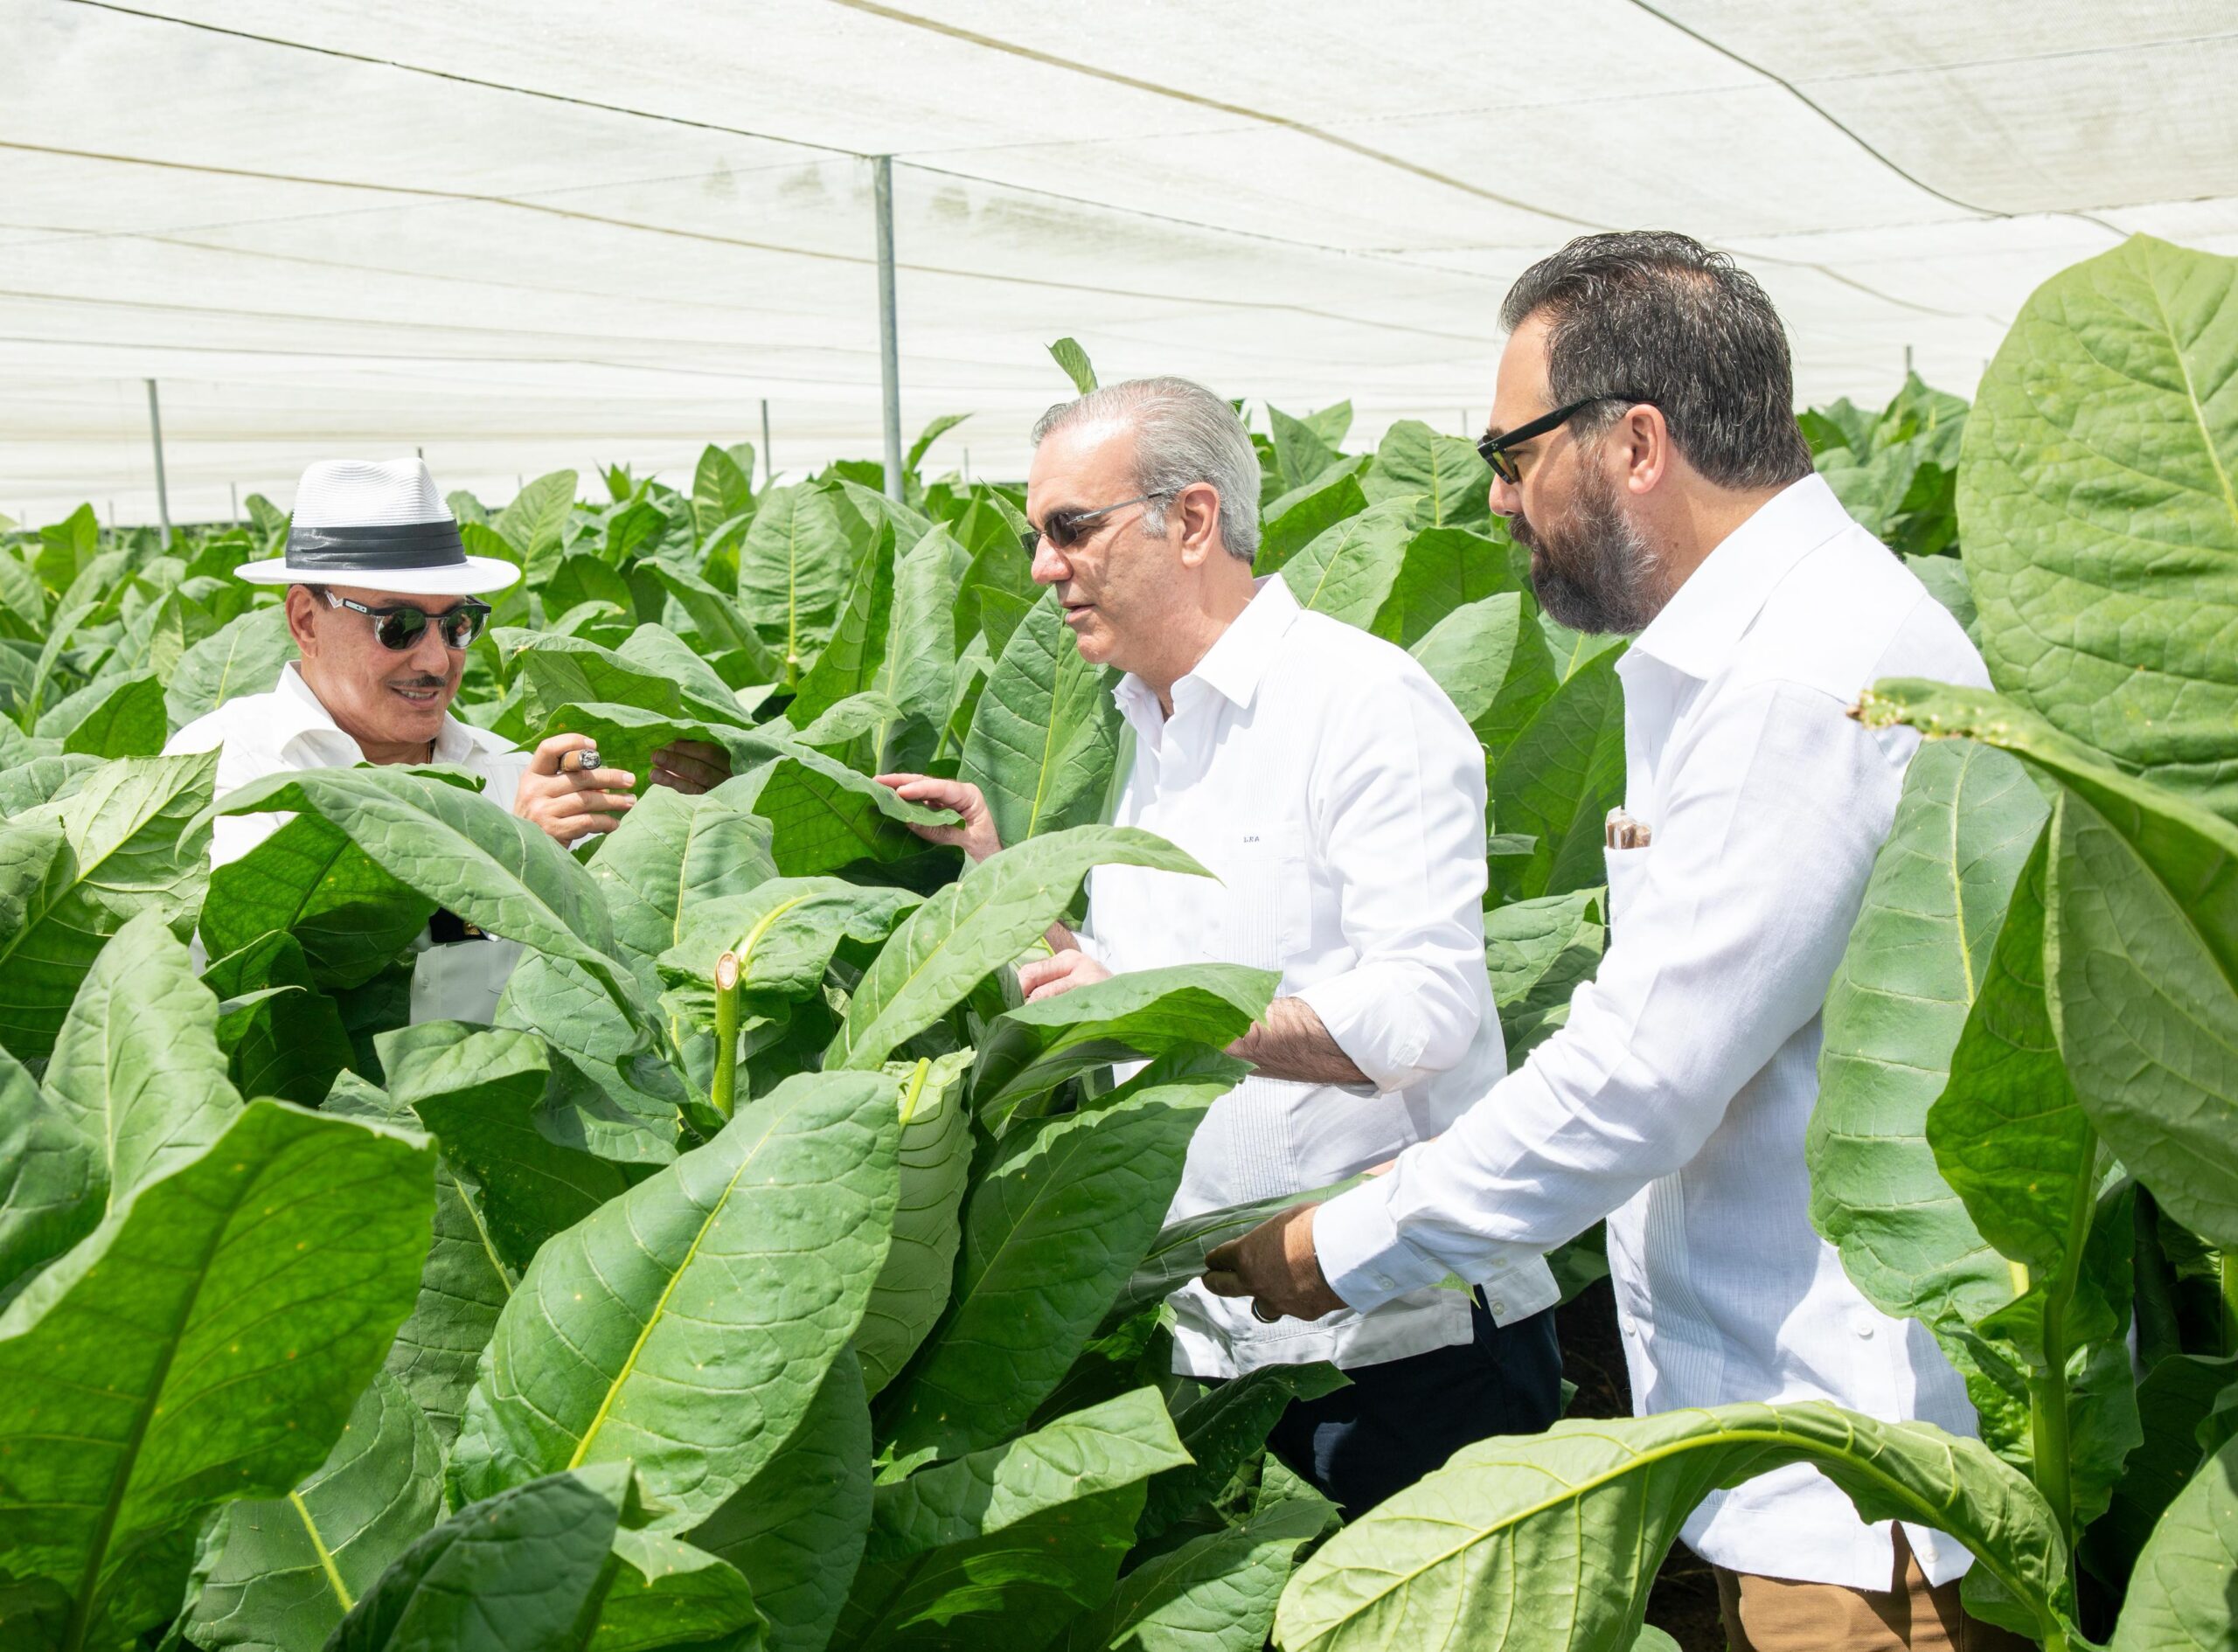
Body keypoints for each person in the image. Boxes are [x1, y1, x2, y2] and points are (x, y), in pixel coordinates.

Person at [1200, 233, 2024, 1651]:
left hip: (1865, 1508)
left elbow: (1638, 1082)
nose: (1496, 497)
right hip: (1796, 1462)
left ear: (1636, 442)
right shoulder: (1782, 639)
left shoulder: (1793, 683)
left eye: (1512, 455)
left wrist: (1335, 1245)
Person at [876, 378, 1563, 1517]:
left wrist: (1159, 1002)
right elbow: (1131, 978)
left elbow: (1423, 1014)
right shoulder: (1145, 725)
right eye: (1036, 535)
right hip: (1215, 1344)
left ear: (1191, 519)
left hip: (1399, 1345)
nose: (1043, 566)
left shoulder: (1360, 702)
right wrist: (1002, 884)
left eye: (1070, 528)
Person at [166, 456, 726, 1024]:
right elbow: (279, 970)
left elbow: (612, 961)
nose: (437, 661)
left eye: (457, 625)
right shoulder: (222, 767)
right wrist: (508, 867)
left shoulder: (508, 771)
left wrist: (679, 825)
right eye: (399, 626)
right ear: (306, 621)